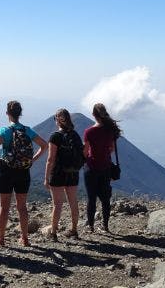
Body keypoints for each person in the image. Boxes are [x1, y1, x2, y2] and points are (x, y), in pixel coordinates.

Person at [0, 100, 47, 246]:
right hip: (23, 171)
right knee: (22, 206)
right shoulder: (27, 130)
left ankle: (1, 239)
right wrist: (32, 161)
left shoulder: (4, 131)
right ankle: (25, 239)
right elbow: (44, 145)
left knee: (4, 207)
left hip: (6, 171)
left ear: (7, 113)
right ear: (20, 113)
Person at [44, 108, 83, 241]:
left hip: (58, 174)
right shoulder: (76, 135)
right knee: (73, 202)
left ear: (57, 120)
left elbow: (50, 159)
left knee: (57, 204)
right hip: (73, 173)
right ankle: (74, 230)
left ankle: (53, 233)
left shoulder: (55, 136)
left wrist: (46, 177)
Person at [83, 103, 122, 233]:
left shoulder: (89, 132)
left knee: (91, 198)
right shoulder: (110, 130)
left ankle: (91, 226)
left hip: (91, 167)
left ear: (93, 115)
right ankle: (105, 226)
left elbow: (85, 151)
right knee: (105, 199)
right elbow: (111, 148)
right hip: (105, 167)